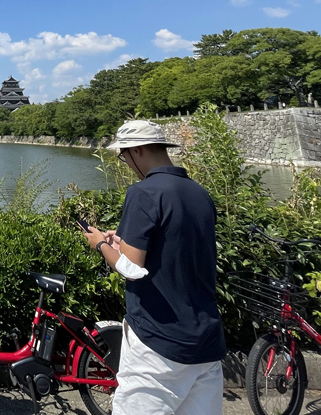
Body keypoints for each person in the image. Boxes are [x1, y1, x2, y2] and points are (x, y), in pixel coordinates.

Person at [80, 120, 226, 415]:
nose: (126, 164)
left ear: (138, 150)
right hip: (206, 344)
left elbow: (131, 268)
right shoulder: (199, 193)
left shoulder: (144, 192)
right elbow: (171, 252)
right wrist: (120, 242)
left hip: (157, 343)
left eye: (124, 156)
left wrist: (99, 243)